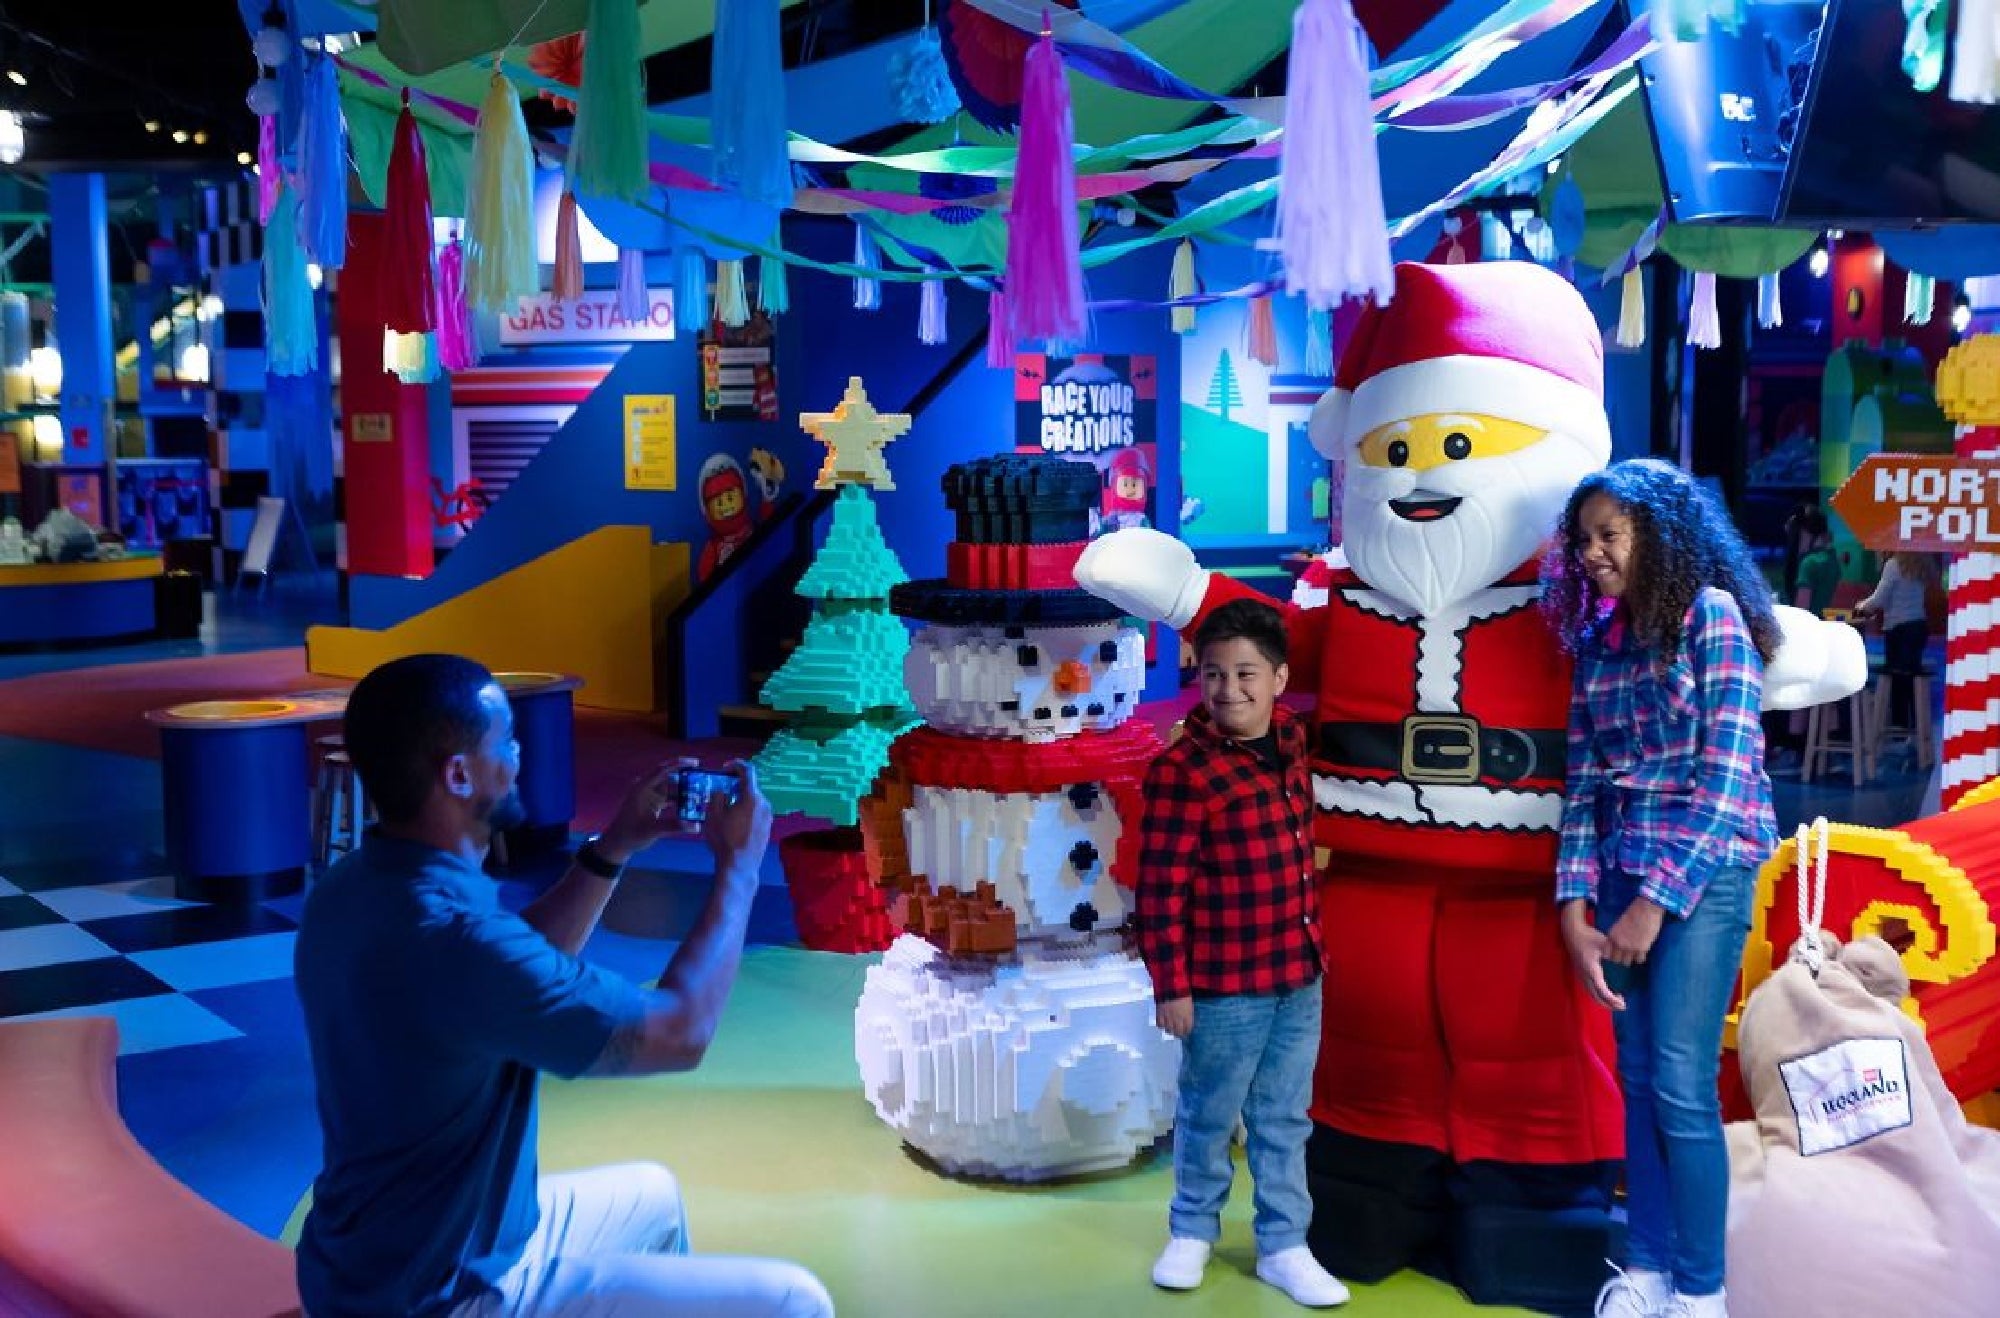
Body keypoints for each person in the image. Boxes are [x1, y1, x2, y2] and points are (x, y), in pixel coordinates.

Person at [293, 653, 834, 1318]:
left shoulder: (357, 886)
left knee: (652, 1197)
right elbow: (680, 1031)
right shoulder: (456, 936)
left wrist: (614, 847)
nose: (518, 758)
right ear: (459, 775)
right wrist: (741, 867)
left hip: (366, 1263)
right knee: (792, 1301)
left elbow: (509, 978)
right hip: (441, 1297)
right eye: (506, 742)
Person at [1542, 459, 1782, 1318]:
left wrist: (1654, 902)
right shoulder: (1599, 642)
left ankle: (1701, 1288)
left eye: (1612, 535)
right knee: (1637, 1078)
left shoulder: (1710, 618)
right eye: (1583, 540)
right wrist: (1573, 903)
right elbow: (1584, 780)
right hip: (1616, 870)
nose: (1594, 553)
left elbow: (1726, 781)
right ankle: (1643, 1268)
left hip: (1704, 872)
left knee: (1681, 1082)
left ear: (1663, 535)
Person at [1134, 599, 1348, 1309]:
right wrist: (1172, 986)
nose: (1231, 690)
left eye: (1248, 673)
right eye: (1216, 675)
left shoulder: (1291, 738)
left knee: (1285, 1117)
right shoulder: (1183, 771)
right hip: (1224, 984)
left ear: (1280, 678)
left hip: (1299, 972)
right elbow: (1159, 889)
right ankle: (1192, 1229)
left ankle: (1285, 1245)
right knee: (1206, 1110)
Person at [1854, 550, 1939, 725]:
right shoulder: (1922, 562)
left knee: (1898, 683)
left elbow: (1879, 599)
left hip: (1899, 629)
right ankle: (1916, 730)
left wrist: (1861, 605)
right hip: (1919, 626)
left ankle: (1899, 730)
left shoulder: (1894, 565)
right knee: (1909, 680)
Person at [1790, 511, 1840, 620]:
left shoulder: (1809, 563)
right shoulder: (1832, 559)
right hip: (1824, 622)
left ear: (1806, 533)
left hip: (1808, 627)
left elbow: (1801, 610)